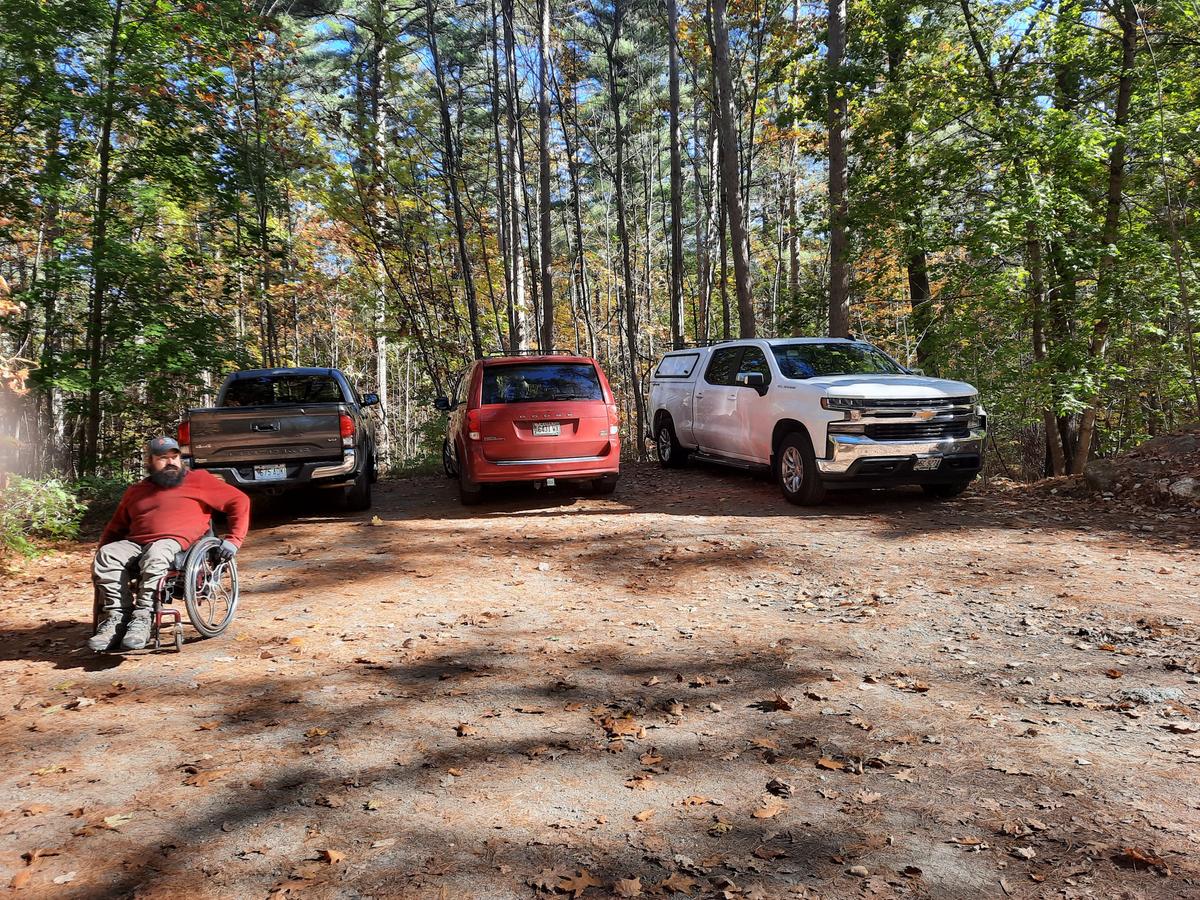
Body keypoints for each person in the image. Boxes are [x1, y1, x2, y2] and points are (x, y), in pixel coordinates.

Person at [89, 436, 250, 652]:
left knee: (158, 551)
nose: (171, 462)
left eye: (175, 457)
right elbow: (115, 528)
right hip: (137, 544)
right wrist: (101, 554)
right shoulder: (136, 491)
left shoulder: (199, 480)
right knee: (108, 554)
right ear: (150, 462)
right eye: (163, 458)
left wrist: (234, 540)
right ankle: (117, 617)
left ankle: (143, 617)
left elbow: (239, 501)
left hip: (179, 545)